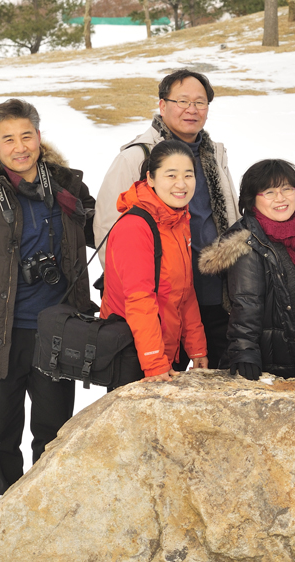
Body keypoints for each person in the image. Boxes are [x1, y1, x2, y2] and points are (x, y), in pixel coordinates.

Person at [0, 99, 97, 500]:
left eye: (26, 136)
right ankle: (3, 503)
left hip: (57, 330)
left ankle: (47, 505)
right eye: (8, 139)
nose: (20, 147)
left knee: (54, 429)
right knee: (0, 431)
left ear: (39, 137)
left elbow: (103, 233)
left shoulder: (67, 187)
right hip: (1, 333)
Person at [93, 69, 238, 369]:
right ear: (162, 105)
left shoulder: (214, 154)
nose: (191, 109)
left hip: (210, 297)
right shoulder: (136, 157)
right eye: (182, 101)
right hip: (154, 306)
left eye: (200, 102)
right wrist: (132, 289)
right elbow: (110, 230)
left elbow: (231, 214)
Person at [100, 140, 209, 382]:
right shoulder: (135, 227)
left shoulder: (177, 219)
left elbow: (185, 290)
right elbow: (139, 300)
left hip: (165, 352)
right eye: (171, 175)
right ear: (150, 178)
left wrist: (196, 347)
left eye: (188, 175)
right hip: (132, 355)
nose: (181, 184)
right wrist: (154, 363)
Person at [198, 159, 295, 380]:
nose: (280, 198)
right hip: (269, 362)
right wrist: (244, 352)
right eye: (269, 192)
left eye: (287, 189)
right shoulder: (247, 242)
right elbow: (246, 304)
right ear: (252, 200)